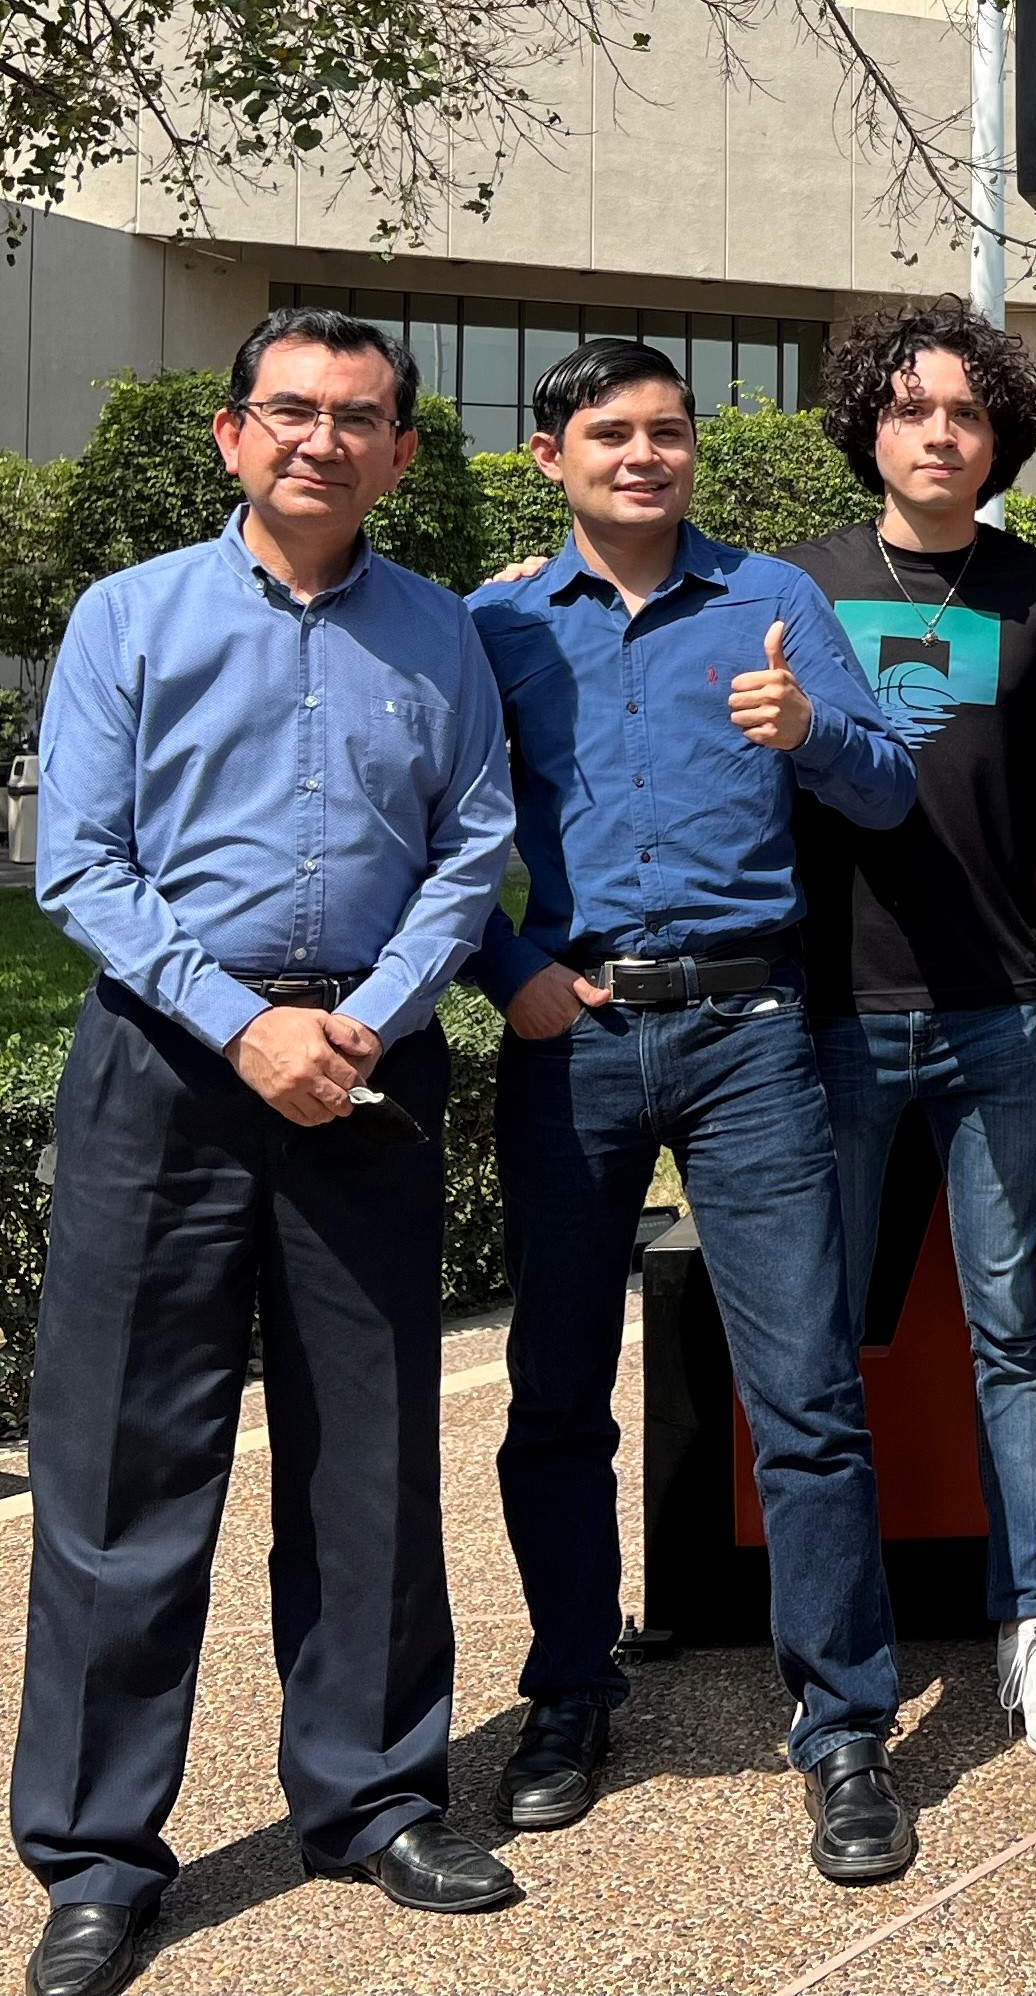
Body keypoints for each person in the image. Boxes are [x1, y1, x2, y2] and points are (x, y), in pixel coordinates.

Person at [16, 306, 520, 1996]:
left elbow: (475, 850)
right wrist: (245, 1026)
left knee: (370, 1451)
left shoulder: (442, 635)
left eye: (357, 418)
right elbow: (79, 865)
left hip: (367, 1071)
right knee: (116, 1468)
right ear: (233, 435)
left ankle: (373, 1797)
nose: (321, 440)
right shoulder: (128, 616)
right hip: (166, 1064)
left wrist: (364, 1016)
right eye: (290, 412)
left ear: (397, 450)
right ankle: (95, 1855)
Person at [469, 339, 924, 1882]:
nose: (644, 456)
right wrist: (511, 967)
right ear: (551, 456)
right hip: (575, 1034)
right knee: (553, 1395)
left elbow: (887, 789)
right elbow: (435, 829)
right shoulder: (496, 626)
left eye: (667, 431)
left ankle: (845, 1724)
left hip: (748, 1031)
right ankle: (569, 1691)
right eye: (611, 434)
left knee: (803, 1396)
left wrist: (813, 735)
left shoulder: (776, 603)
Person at [788, 304, 1036, 1758]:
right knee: (815, 1342)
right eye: (912, 410)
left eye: (966, 416)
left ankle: (1027, 1621)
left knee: (1010, 1336)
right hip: (831, 1018)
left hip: (993, 1012)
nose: (937, 435)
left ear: (1000, 440)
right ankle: (835, 1639)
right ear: (870, 424)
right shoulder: (793, 588)